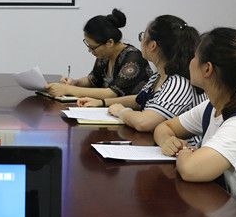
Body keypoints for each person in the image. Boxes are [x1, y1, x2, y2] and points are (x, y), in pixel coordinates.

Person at [153, 28, 236, 210]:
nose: (190, 62)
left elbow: (190, 170)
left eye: (194, 57)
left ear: (207, 68)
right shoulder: (215, 105)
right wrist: (167, 141)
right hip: (231, 202)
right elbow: (165, 127)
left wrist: (184, 151)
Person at [77, 15, 207, 132]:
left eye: (143, 36)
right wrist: (102, 102)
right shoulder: (158, 76)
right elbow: (139, 99)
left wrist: (121, 111)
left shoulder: (178, 83)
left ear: (152, 46)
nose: (141, 41)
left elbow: (144, 122)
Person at [46, 9, 150, 99]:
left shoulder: (133, 59)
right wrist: (75, 82)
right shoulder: (105, 56)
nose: (90, 51)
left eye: (92, 47)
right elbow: (92, 80)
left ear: (109, 43)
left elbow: (112, 93)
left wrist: (68, 90)